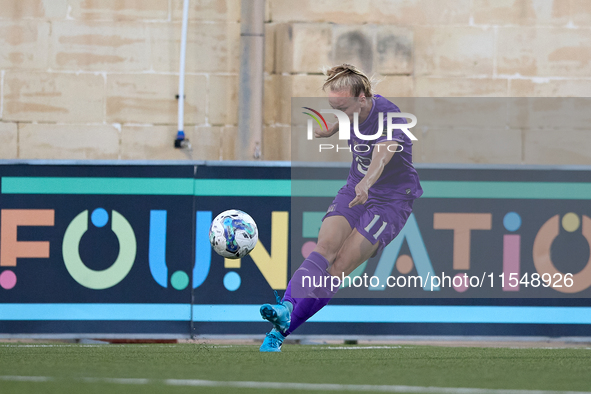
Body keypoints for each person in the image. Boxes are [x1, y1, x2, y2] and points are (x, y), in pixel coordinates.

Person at [259, 64, 423, 352]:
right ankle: (285, 307)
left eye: (343, 108)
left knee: (339, 268)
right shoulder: (353, 109)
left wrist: (368, 183)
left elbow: (382, 155)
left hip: (390, 200)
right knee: (324, 248)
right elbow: (347, 122)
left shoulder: (390, 115)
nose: (341, 114)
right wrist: (332, 129)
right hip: (355, 188)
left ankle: (281, 332)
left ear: (362, 99)